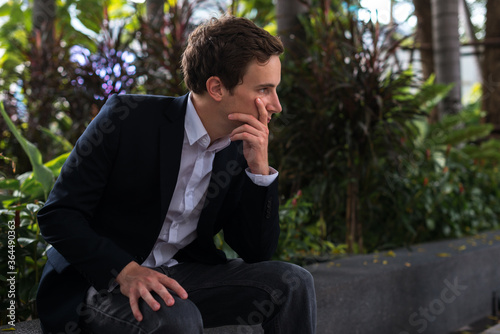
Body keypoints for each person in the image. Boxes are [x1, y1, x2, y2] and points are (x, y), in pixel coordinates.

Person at [36, 15, 316, 334]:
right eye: (264, 90)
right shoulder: (126, 119)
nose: (276, 105)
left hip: (178, 278)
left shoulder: (242, 148)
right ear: (216, 88)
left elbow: (255, 251)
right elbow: (58, 214)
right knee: (177, 318)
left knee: (293, 284)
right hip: (102, 282)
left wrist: (259, 171)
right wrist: (125, 271)